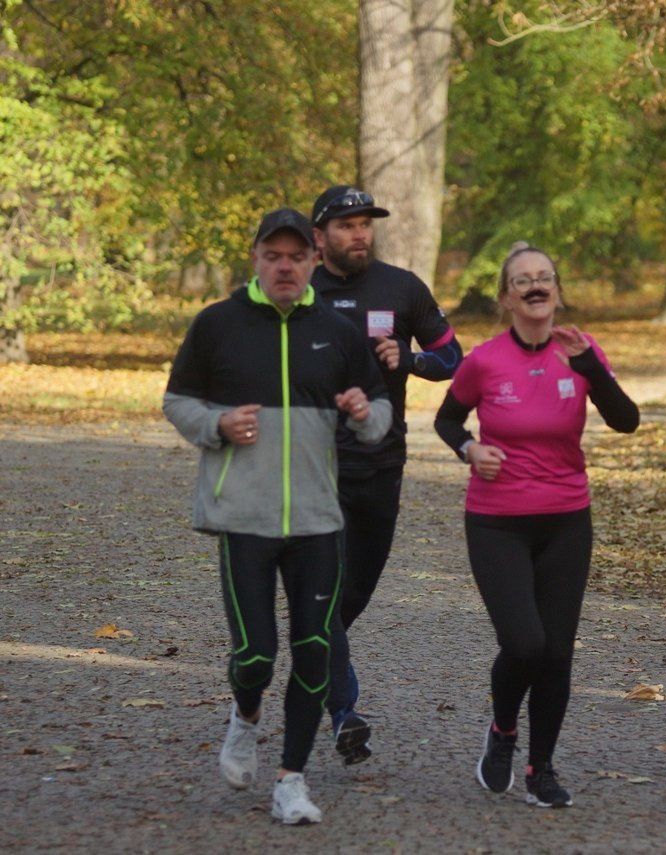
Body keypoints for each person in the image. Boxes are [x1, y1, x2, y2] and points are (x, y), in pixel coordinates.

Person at [163, 208, 392, 824]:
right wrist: (215, 425)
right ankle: (245, 717)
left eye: (296, 256)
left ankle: (292, 778)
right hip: (244, 517)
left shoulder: (338, 333)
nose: (286, 266)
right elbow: (177, 400)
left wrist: (363, 413)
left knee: (314, 647)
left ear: (315, 259)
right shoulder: (217, 326)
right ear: (256, 260)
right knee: (257, 654)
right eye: (274, 255)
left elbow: (380, 414)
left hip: (318, 520)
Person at [433, 243, 639, 808]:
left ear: (557, 290)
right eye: (522, 280)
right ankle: (502, 730)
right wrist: (471, 448)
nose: (534, 286)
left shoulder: (580, 351)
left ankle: (540, 768)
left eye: (544, 277)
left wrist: (590, 367)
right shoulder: (484, 361)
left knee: (558, 653)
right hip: (497, 522)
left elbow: (627, 421)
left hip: (567, 520)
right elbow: (447, 419)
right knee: (524, 643)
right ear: (506, 297)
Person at [309, 185, 463, 764]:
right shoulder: (300, 290)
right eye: (346, 225)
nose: (359, 234)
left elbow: (455, 359)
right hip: (312, 469)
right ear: (320, 235)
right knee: (321, 596)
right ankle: (343, 711)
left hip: (380, 467)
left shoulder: (402, 288)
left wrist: (413, 358)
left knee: (348, 598)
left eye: (366, 224)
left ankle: (310, 654)